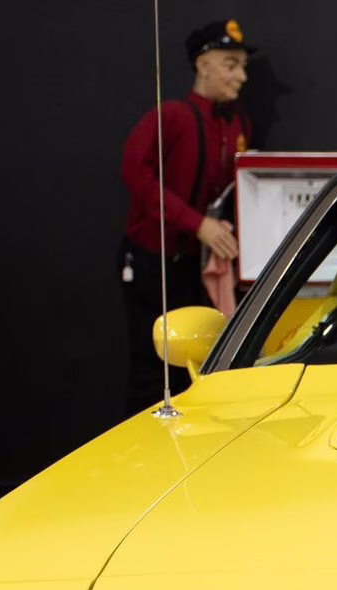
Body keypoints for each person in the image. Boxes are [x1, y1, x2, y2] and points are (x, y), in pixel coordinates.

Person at [118, 19, 255, 411]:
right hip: (152, 262)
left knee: (195, 364)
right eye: (231, 65)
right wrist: (198, 224)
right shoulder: (172, 116)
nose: (240, 77)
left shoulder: (237, 123)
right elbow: (135, 174)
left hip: (195, 267)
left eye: (242, 66)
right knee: (153, 367)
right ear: (203, 64)